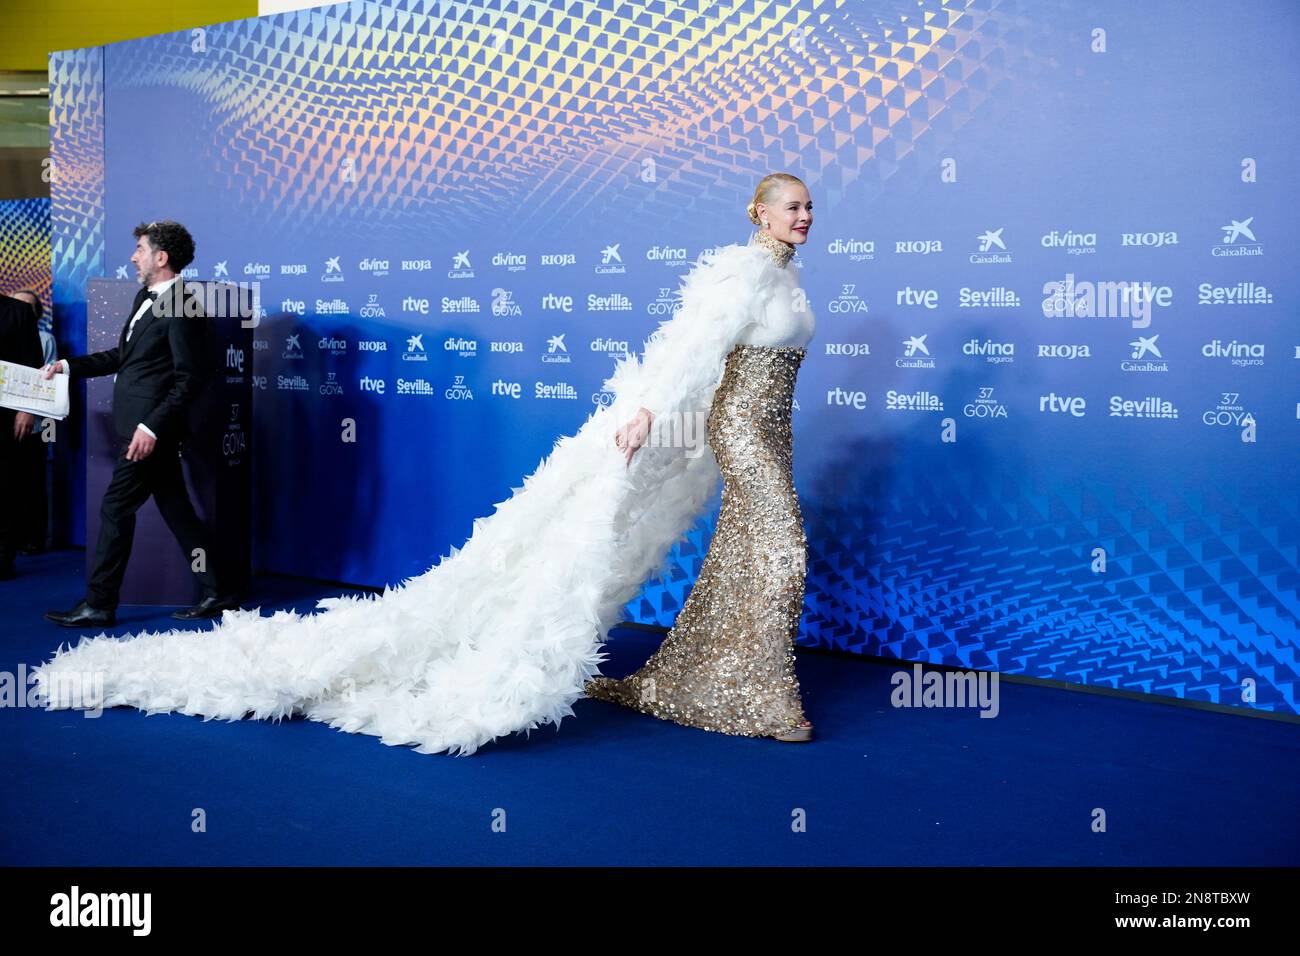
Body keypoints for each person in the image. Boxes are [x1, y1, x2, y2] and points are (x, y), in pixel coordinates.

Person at [34, 174, 819, 756]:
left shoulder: (780, 277)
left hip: (763, 436)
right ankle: (742, 687)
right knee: (779, 552)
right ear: (759, 213)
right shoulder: (742, 272)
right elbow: (691, 342)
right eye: (792, 207)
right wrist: (646, 405)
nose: (804, 217)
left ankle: (728, 682)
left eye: (810, 208)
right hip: (741, 437)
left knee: (753, 557)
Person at [42, 221, 237, 627]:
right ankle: (219, 588)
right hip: (142, 426)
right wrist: (66, 366)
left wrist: (151, 428)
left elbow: (190, 379)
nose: (133, 257)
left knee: (115, 508)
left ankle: (99, 602)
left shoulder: (183, 304)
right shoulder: (144, 297)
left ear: (161, 258)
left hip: (149, 431)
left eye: (140, 249)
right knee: (176, 506)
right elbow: (124, 356)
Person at [0, 290, 44, 580]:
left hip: (5, 414)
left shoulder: (18, 311)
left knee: (6, 487)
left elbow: (33, 364)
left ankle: (3, 557)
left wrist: (28, 409)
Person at [7, 290, 54, 554]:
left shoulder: (45, 340)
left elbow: (46, 381)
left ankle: (34, 537)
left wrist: (29, 412)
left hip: (33, 426)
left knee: (32, 481)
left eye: (24, 306)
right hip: (5, 423)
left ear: (34, 313)